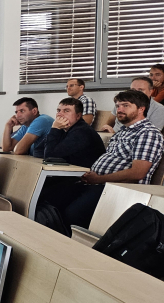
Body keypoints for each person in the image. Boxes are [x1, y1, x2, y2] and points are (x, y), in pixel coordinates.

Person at [54, 90, 164, 230]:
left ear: (141, 109)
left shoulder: (148, 133)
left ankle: (76, 241)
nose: (119, 109)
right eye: (117, 106)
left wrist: (99, 179)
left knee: (72, 214)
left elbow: (138, 173)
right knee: (53, 200)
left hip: (119, 190)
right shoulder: (122, 132)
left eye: (125, 105)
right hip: (98, 183)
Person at [43, 97, 105, 168]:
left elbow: (50, 157)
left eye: (66, 111)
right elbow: (38, 151)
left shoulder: (82, 131)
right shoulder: (63, 129)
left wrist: (55, 129)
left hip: (85, 173)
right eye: (58, 111)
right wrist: (57, 129)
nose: (60, 114)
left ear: (78, 116)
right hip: (70, 170)